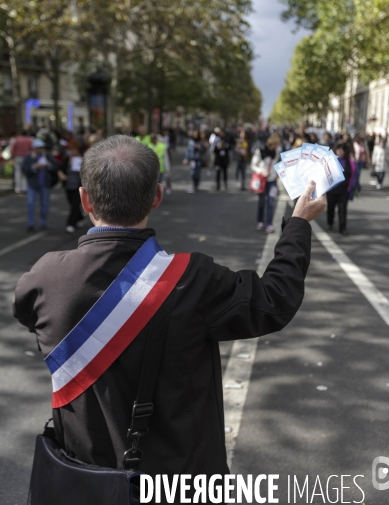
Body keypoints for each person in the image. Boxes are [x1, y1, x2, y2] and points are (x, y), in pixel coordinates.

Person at [13, 135, 326, 499]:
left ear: (85, 199)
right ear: (157, 196)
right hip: (181, 484)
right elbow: (274, 299)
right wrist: (299, 224)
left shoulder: (45, 277)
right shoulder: (194, 279)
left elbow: (27, 314)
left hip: (84, 482)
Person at [21, 139, 59, 231]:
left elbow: (56, 167)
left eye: (41, 148)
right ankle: (30, 224)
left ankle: (43, 222)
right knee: (31, 204)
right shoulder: (29, 157)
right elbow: (24, 169)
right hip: (32, 184)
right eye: (38, 148)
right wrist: (34, 166)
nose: (40, 150)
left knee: (44, 204)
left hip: (45, 184)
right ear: (34, 148)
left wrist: (49, 165)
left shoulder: (47, 156)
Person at [250, 134, 281, 233]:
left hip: (272, 180)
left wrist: (277, 174)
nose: (277, 146)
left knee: (271, 202)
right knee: (262, 202)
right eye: (275, 144)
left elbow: (276, 164)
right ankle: (260, 221)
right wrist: (261, 171)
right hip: (262, 179)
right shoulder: (260, 151)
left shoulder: (276, 152)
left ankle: (269, 224)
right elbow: (253, 165)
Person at [326, 142, 356, 235]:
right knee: (330, 208)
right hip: (332, 190)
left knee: (343, 210)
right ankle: (330, 223)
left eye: (342, 150)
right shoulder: (330, 160)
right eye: (338, 149)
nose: (340, 151)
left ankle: (342, 228)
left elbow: (354, 176)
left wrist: (351, 189)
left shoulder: (349, 162)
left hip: (344, 190)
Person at [58, 140, 85, 233]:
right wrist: (61, 175)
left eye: (74, 150)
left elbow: (85, 172)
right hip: (68, 186)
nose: (73, 152)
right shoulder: (67, 159)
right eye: (71, 150)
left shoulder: (82, 159)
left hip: (78, 186)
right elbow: (60, 168)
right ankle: (80, 217)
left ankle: (70, 224)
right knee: (72, 203)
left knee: (74, 204)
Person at [10, 129, 32, 194]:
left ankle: (17, 188)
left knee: (17, 172)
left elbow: (12, 148)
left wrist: (13, 155)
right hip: (26, 157)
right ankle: (25, 187)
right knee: (25, 173)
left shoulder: (17, 139)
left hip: (17, 157)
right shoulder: (29, 140)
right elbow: (31, 149)